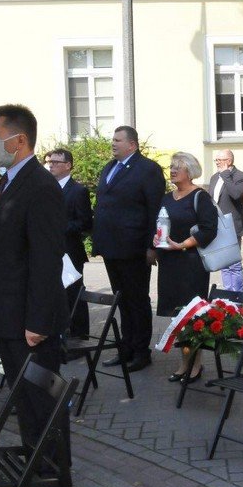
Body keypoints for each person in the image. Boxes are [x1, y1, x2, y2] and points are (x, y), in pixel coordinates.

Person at [0, 104, 70, 487]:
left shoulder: (40, 186)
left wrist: (38, 321)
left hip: (29, 319)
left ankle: (52, 474)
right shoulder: (9, 179)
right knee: (23, 398)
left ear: (18, 141)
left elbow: (46, 261)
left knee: (40, 400)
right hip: (6, 313)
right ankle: (34, 461)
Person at [91, 126, 165, 373]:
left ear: (132, 144)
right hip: (111, 247)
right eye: (112, 139)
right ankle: (126, 348)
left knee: (137, 301)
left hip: (134, 248)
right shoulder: (110, 167)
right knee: (121, 300)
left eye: (117, 140)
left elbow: (155, 209)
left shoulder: (148, 169)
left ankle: (141, 352)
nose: (113, 143)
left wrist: (152, 246)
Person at [153, 152, 218, 382]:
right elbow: (160, 224)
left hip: (191, 265)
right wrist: (156, 238)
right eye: (171, 166)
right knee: (176, 316)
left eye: (177, 167)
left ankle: (195, 365)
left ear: (189, 172)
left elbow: (209, 230)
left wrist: (182, 244)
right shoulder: (166, 198)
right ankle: (184, 363)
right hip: (169, 264)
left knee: (192, 317)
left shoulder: (200, 197)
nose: (171, 170)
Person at [44, 148, 93, 339]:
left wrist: (59, 227)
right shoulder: (46, 189)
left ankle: (80, 337)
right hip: (49, 252)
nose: (51, 165)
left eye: (56, 162)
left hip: (70, 252)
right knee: (53, 295)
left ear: (68, 165)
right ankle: (59, 335)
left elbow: (85, 223)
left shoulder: (78, 191)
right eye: (50, 162)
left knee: (74, 295)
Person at [207, 149, 243, 292]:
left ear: (229, 161)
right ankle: (227, 295)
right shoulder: (214, 177)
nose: (217, 162)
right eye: (216, 160)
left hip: (232, 226)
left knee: (234, 264)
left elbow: (236, 194)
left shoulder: (240, 176)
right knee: (224, 263)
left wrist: (225, 174)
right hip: (217, 225)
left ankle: (237, 296)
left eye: (220, 160)